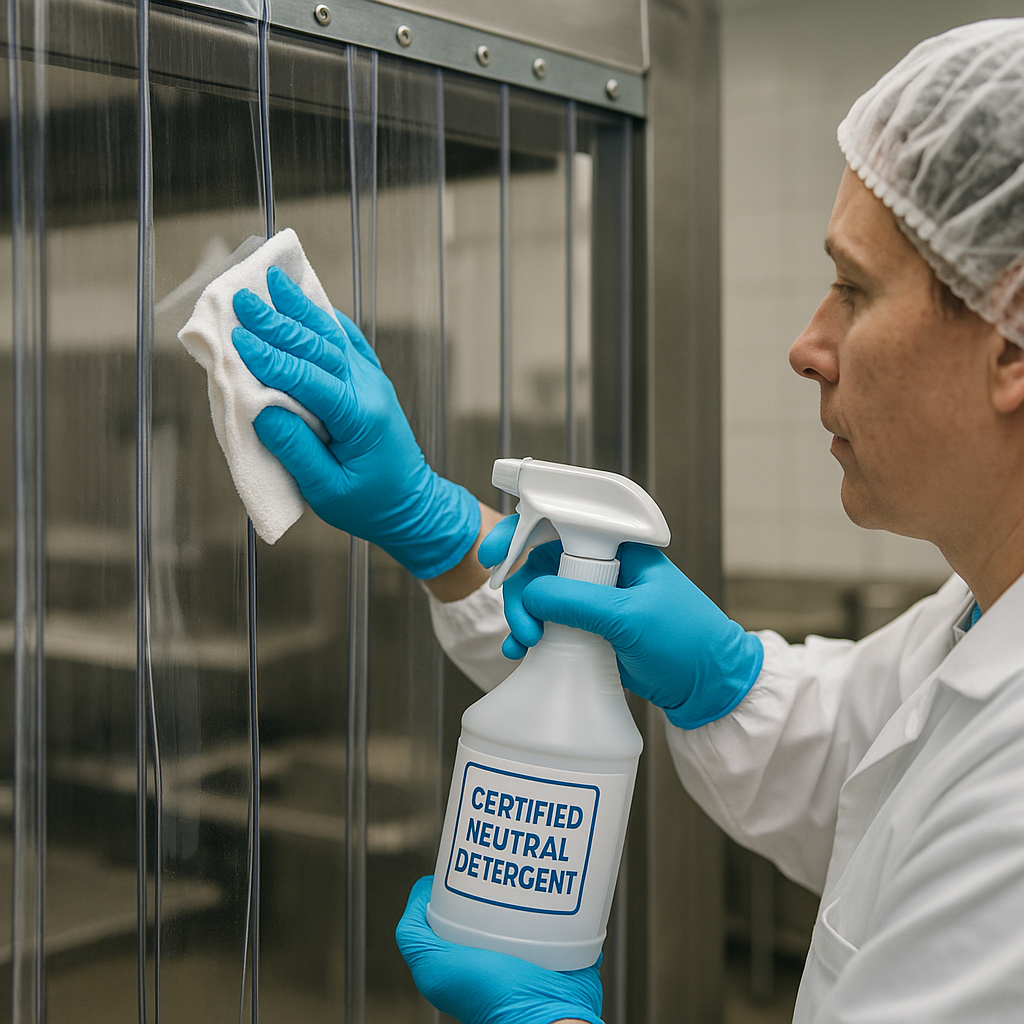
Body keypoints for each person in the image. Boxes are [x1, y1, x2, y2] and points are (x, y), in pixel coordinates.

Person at [229, 18, 1024, 1024]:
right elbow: (842, 762)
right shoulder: (980, 620)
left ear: (1010, 345)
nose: (808, 345)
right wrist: (436, 522)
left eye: (853, 290)